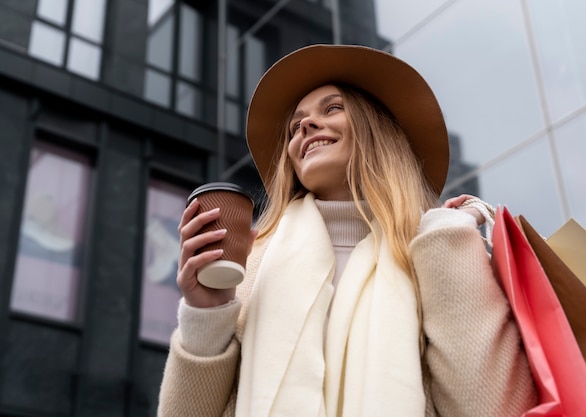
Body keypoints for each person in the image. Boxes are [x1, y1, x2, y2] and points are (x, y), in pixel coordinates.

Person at [157, 44, 538, 417]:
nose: (304, 125)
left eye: (333, 108)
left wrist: (446, 239)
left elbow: (495, 410)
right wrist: (207, 313)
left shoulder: (436, 249)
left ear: (376, 132)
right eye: (294, 127)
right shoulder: (254, 262)